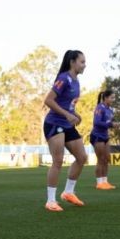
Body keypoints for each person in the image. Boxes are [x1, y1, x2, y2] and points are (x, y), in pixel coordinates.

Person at [43, 50, 88, 210]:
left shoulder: (76, 82)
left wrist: (75, 114)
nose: (85, 65)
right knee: (58, 161)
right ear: (72, 62)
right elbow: (48, 100)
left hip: (67, 124)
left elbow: (68, 105)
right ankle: (50, 201)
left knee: (82, 157)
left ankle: (68, 192)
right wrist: (67, 116)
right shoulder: (64, 79)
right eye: (82, 61)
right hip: (54, 123)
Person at [91, 90, 116, 190]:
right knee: (100, 159)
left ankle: (105, 182)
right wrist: (110, 124)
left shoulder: (110, 110)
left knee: (106, 159)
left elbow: (107, 123)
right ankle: (99, 183)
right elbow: (96, 122)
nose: (113, 100)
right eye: (112, 97)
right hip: (97, 136)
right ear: (105, 98)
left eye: (114, 98)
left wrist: (114, 125)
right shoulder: (99, 107)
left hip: (105, 136)